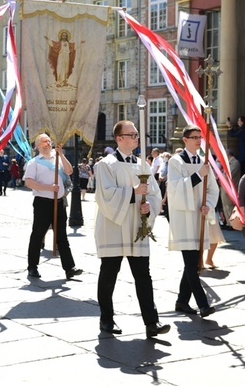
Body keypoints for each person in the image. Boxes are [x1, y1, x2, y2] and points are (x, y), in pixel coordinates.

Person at [94, 121, 170, 338]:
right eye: (132, 134)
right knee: (109, 275)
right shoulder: (105, 165)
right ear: (119, 138)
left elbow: (154, 195)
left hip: (137, 226)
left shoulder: (142, 166)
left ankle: (151, 323)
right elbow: (104, 196)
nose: (137, 138)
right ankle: (106, 319)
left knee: (143, 276)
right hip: (113, 227)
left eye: (137, 134)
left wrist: (150, 207)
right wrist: (134, 192)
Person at [166, 125, 218, 316]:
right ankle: (203, 304)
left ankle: (181, 301)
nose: (198, 140)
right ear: (185, 139)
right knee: (192, 264)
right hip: (183, 218)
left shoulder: (204, 162)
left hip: (199, 217)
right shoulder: (176, 161)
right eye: (194, 137)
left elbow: (213, 189)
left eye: (200, 137)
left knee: (193, 263)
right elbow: (175, 189)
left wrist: (209, 205)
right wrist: (198, 175)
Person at [23, 133, 82, 280]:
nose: (48, 143)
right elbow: (29, 182)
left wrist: (61, 154)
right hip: (42, 203)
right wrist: (49, 188)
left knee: (62, 236)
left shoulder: (58, 160)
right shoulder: (34, 162)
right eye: (44, 141)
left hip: (59, 202)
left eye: (49, 141)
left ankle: (69, 268)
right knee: (38, 235)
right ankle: (32, 267)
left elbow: (69, 171)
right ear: (38, 146)